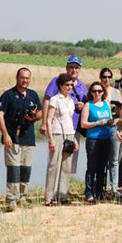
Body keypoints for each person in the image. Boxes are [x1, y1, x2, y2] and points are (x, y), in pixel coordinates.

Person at [0, 68, 42, 211]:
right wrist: (5, 135)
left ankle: (22, 197)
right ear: (16, 77)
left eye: (27, 78)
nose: (25, 81)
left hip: (29, 138)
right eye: (22, 78)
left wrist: (34, 117)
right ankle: (11, 199)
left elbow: (40, 112)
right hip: (13, 137)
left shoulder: (33, 95)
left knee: (25, 169)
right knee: (13, 169)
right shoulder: (8, 95)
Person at [40, 55, 88, 174]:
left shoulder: (82, 86)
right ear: (67, 67)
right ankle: (53, 189)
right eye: (71, 67)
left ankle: (64, 188)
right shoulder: (57, 81)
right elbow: (47, 100)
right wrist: (44, 123)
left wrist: (83, 106)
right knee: (55, 159)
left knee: (70, 160)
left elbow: (88, 103)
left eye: (77, 67)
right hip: (57, 128)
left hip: (74, 128)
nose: (74, 70)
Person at [44, 73, 78, 206]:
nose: (69, 87)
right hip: (57, 133)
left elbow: (70, 120)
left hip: (69, 134)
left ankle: (62, 195)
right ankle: (49, 197)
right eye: (67, 85)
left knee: (66, 166)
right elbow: (48, 119)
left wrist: (74, 138)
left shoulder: (71, 101)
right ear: (60, 86)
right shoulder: (54, 99)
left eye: (71, 85)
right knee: (53, 165)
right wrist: (50, 138)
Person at [81, 81, 113, 202]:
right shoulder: (88, 105)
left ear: (103, 92)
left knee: (102, 167)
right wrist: (97, 123)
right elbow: (83, 124)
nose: (97, 93)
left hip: (106, 138)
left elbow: (110, 118)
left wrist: (110, 122)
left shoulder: (106, 104)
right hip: (93, 139)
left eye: (99, 91)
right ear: (91, 92)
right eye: (94, 91)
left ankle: (100, 192)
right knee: (92, 167)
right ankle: (89, 193)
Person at [100, 68, 122, 193]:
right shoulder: (97, 91)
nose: (106, 79)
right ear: (100, 78)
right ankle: (101, 187)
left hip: (114, 127)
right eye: (104, 76)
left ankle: (114, 187)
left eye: (109, 77)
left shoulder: (116, 92)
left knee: (114, 160)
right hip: (100, 129)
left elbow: (121, 112)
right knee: (101, 159)